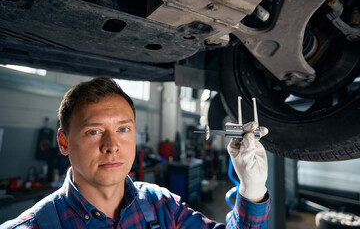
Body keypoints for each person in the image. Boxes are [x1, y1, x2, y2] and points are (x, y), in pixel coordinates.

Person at [1, 77, 271, 229]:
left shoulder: (161, 205)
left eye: (123, 129)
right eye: (93, 131)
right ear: (63, 142)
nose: (112, 145)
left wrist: (252, 189)